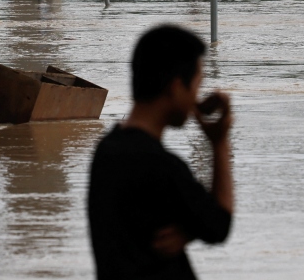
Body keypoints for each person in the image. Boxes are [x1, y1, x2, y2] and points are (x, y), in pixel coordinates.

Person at [88, 25, 233, 279]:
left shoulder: (106, 150)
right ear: (176, 87)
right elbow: (219, 225)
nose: (196, 97)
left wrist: (188, 230)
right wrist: (219, 143)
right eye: (196, 86)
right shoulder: (161, 166)